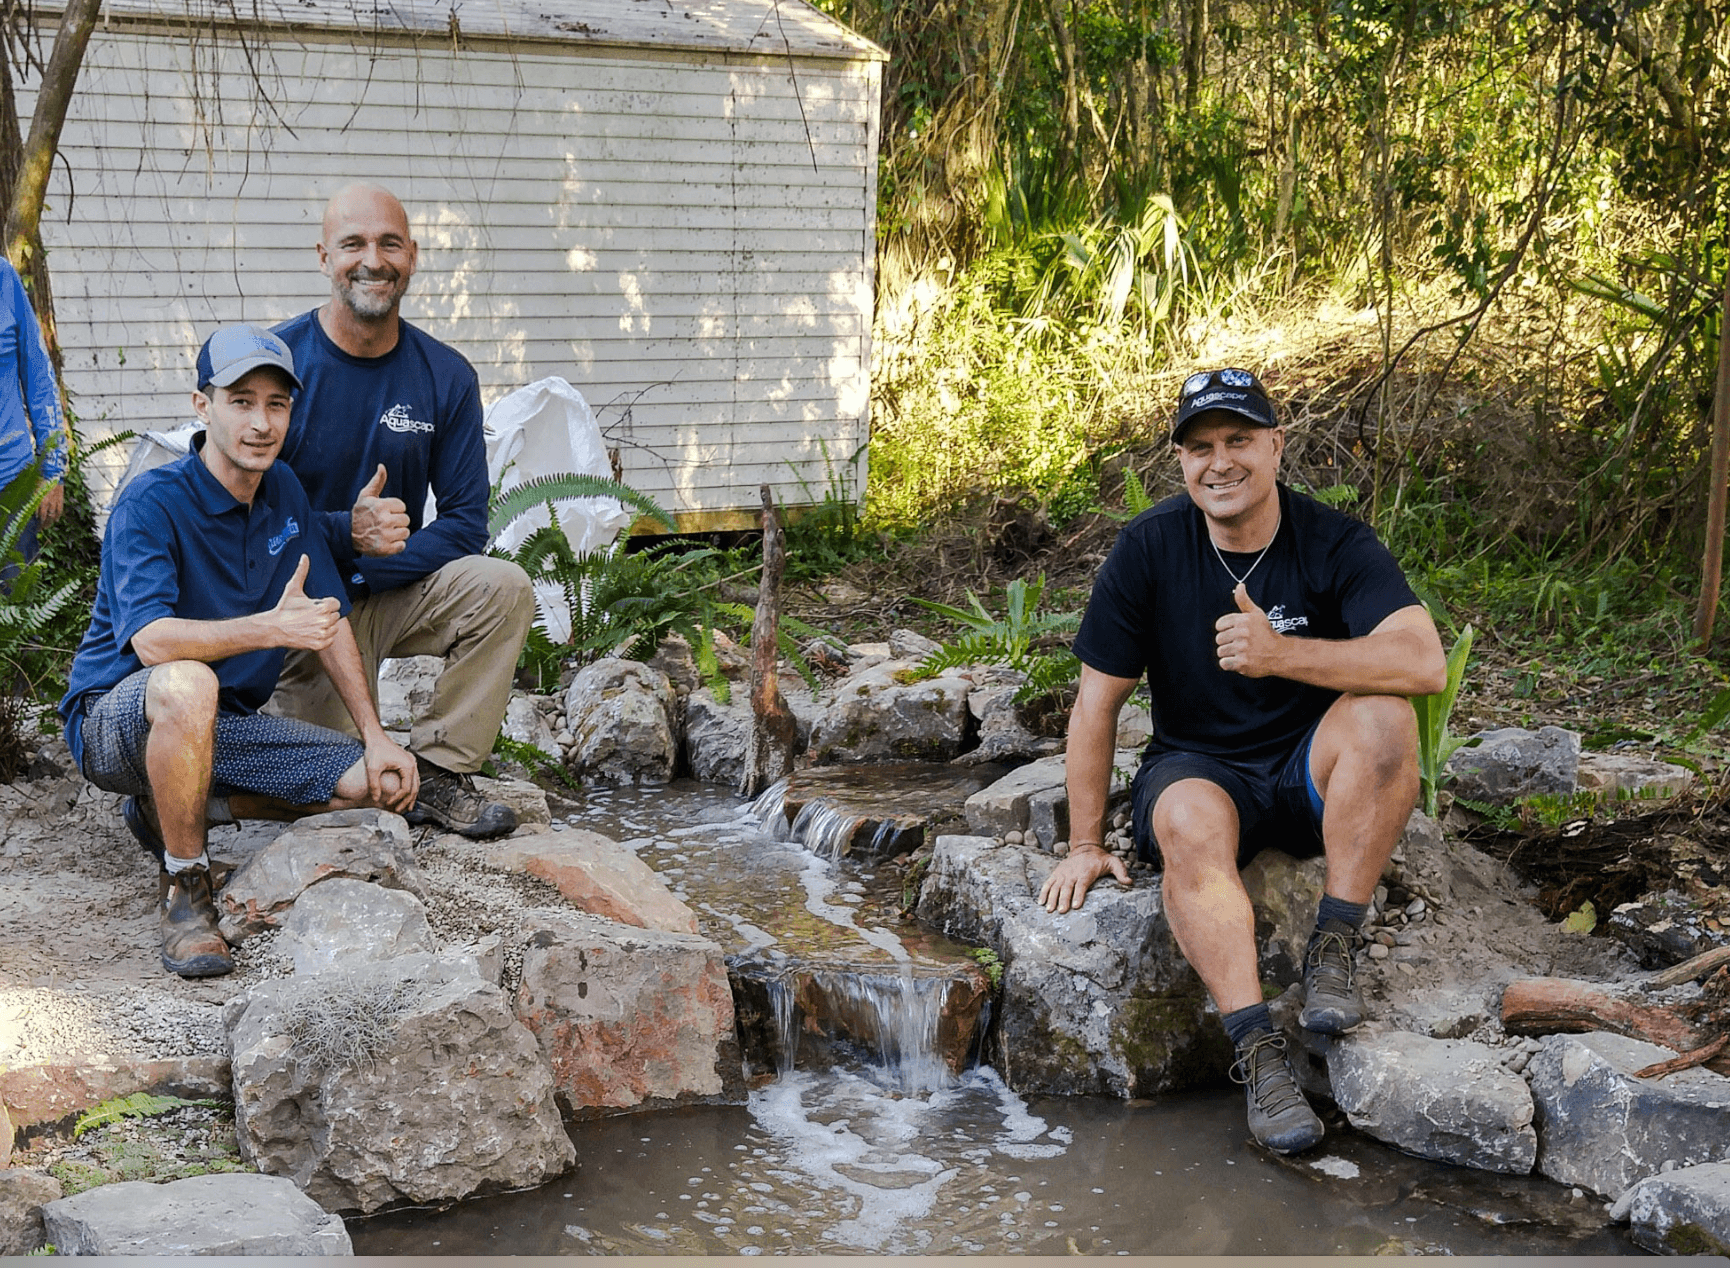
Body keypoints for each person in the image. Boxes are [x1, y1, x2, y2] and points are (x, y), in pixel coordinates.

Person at [1038, 367, 1446, 1154]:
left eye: (1237, 442)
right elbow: (1096, 703)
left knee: (1388, 720)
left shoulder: (1334, 540)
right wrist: (1085, 843)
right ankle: (1258, 1053)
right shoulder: (1149, 547)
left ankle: (1333, 944)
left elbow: (1422, 663)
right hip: (1201, 766)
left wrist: (1280, 653)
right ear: (1182, 463)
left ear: (1276, 447)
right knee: (1187, 819)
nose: (1218, 463)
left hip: (1308, 769)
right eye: (1199, 448)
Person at [59, 324, 420, 979]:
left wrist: (376, 735)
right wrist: (269, 629)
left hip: (219, 728)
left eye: (276, 404)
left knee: (374, 786)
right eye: (242, 401)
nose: (261, 422)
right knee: (188, 681)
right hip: (119, 720)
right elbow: (152, 642)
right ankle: (186, 892)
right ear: (204, 406)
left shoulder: (282, 488)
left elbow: (326, 618)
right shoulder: (150, 503)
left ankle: (174, 811)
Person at [268, 183, 532, 840]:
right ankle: (212, 792)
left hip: (388, 588)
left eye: (389, 243)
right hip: (298, 609)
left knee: (504, 588)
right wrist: (345, 535)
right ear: (324, 254)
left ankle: (439, 771)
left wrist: (373, 568)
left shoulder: (445, 376)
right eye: (353, 243)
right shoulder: (279, 366)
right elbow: (244, 516)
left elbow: (467, 521)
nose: (373, 260)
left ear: (411, 256)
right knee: (339, 793)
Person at [0, 257, 68, 583]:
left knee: (19, 619)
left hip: (11, 483)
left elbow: (39, 379)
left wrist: (53, 470)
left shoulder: (3, 278)